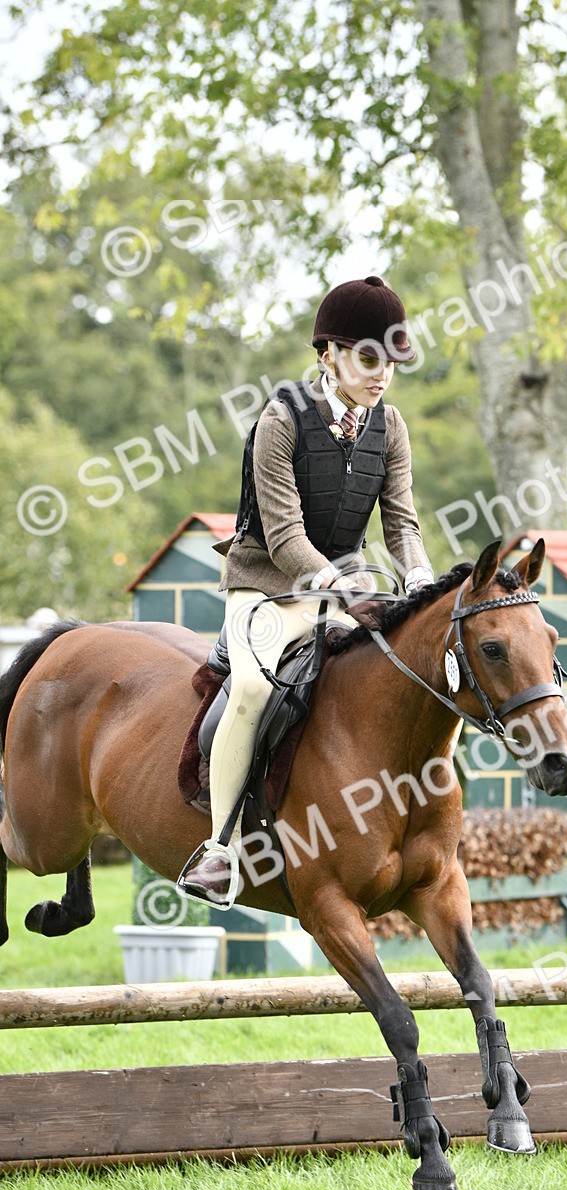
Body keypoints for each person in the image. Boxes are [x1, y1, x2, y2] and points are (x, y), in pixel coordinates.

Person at [178, 275, 434, 908]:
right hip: (265, 586)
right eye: (369, 359)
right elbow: (287, 536)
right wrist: (342, 588)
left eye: (391, 364)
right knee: (257, 688)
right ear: (329, 355)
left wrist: (422, 585)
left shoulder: (390, 426)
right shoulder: (280, 419)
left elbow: (400, 523)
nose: (381, 376)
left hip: (344, 588)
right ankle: (219, 849)